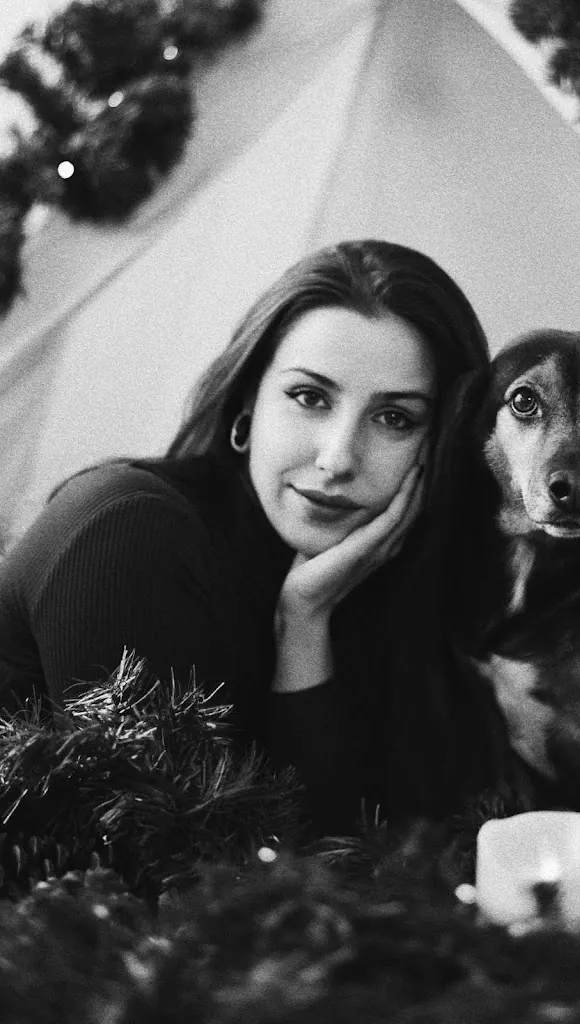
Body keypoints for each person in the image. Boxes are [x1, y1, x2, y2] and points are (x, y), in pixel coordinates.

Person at [0, 240, 510, 832]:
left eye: (395, 418)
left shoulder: (365, 586)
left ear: (441, 443)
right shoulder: (128, 531)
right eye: (309, 397)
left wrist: (305, 623)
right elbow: (184, 864)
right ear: (249, 402)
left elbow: (353, 854)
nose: (338, 458)